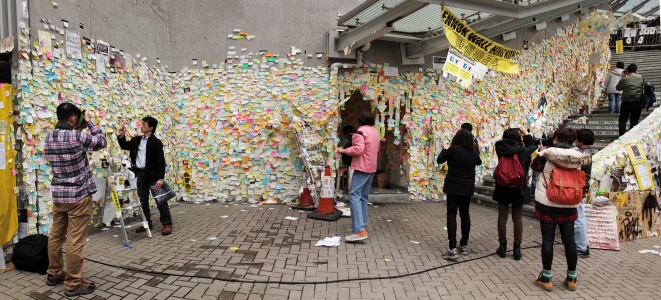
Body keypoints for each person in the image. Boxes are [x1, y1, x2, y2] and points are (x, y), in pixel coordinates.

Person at [44, 103, 107, 297]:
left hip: (59, 195)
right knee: (74, 241)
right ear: (73, 119)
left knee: (56, 235)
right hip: (78, 196)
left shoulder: (49, 137)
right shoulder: (77, 136)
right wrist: (88, 121)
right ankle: (72, 283)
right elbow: (101, 141)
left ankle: (54, 274)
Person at [533, 127, 591, 292]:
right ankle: (572, 278)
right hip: (569, 202)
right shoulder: (580, 157)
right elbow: (584, 178)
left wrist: (541, 151)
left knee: (548, 240)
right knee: (570, 241)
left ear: (556, 138)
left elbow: (535, 167)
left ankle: (546, 277)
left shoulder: (547, 154)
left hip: (548, 202)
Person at [117, 117, 172, 235]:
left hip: (153, 176)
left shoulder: (156, 142)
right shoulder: (136, 140)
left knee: (160, 200)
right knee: (143, 201)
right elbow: (124, 145)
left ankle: (167, 224)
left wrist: (160, 179)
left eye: (144, 125)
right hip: (140, 175)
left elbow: (160, 161)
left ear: (151, 128)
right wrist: (121, 135)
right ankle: (146, 223)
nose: (141, 126)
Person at [493, 127, 537, 260]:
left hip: (502, 185)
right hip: (518, 187)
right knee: (517, 218)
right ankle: (517, 250)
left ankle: (502, 247)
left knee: (502, 217)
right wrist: (526, 133)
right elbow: (534, 144)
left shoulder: (500, 148)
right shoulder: (522, 151)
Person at [437, 129, 482, 259]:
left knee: (451, 214)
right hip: (467, 188)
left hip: (453, 187)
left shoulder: (453, 149)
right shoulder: (473, 151)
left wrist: (445, 149)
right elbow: (478, 161)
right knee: (465, 214)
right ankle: (464, 245)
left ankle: (452, 248)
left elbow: (440, 160)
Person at [335, 111, 380, 242]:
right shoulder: (374, 132)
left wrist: (342, 150)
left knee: (354, 195)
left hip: (362, 167)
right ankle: (361, 227)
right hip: (372, 167)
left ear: (360, 120)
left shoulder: (360, 132)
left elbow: (358, 149)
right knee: (362, 198)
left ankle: (359, 230)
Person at [574, 129, 594, 258]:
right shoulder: (587, 153)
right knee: (579, 216)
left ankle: (581, 246)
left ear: (581, 141)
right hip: (582, 188)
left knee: (578, 217)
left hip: (579, 188)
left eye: (576, 139)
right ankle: (580, 244)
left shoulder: (583, 155)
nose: (575, 141)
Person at [616, 63, 645, 136]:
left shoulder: (625, 79)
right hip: (637, 101)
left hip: (626, 101)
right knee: (634, 120)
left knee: (622, 120)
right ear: (636, 70)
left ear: (627, 71)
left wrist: (622, 78)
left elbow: (618, 88)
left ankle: (622, 135)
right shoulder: (641, 77)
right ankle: (631, 136)